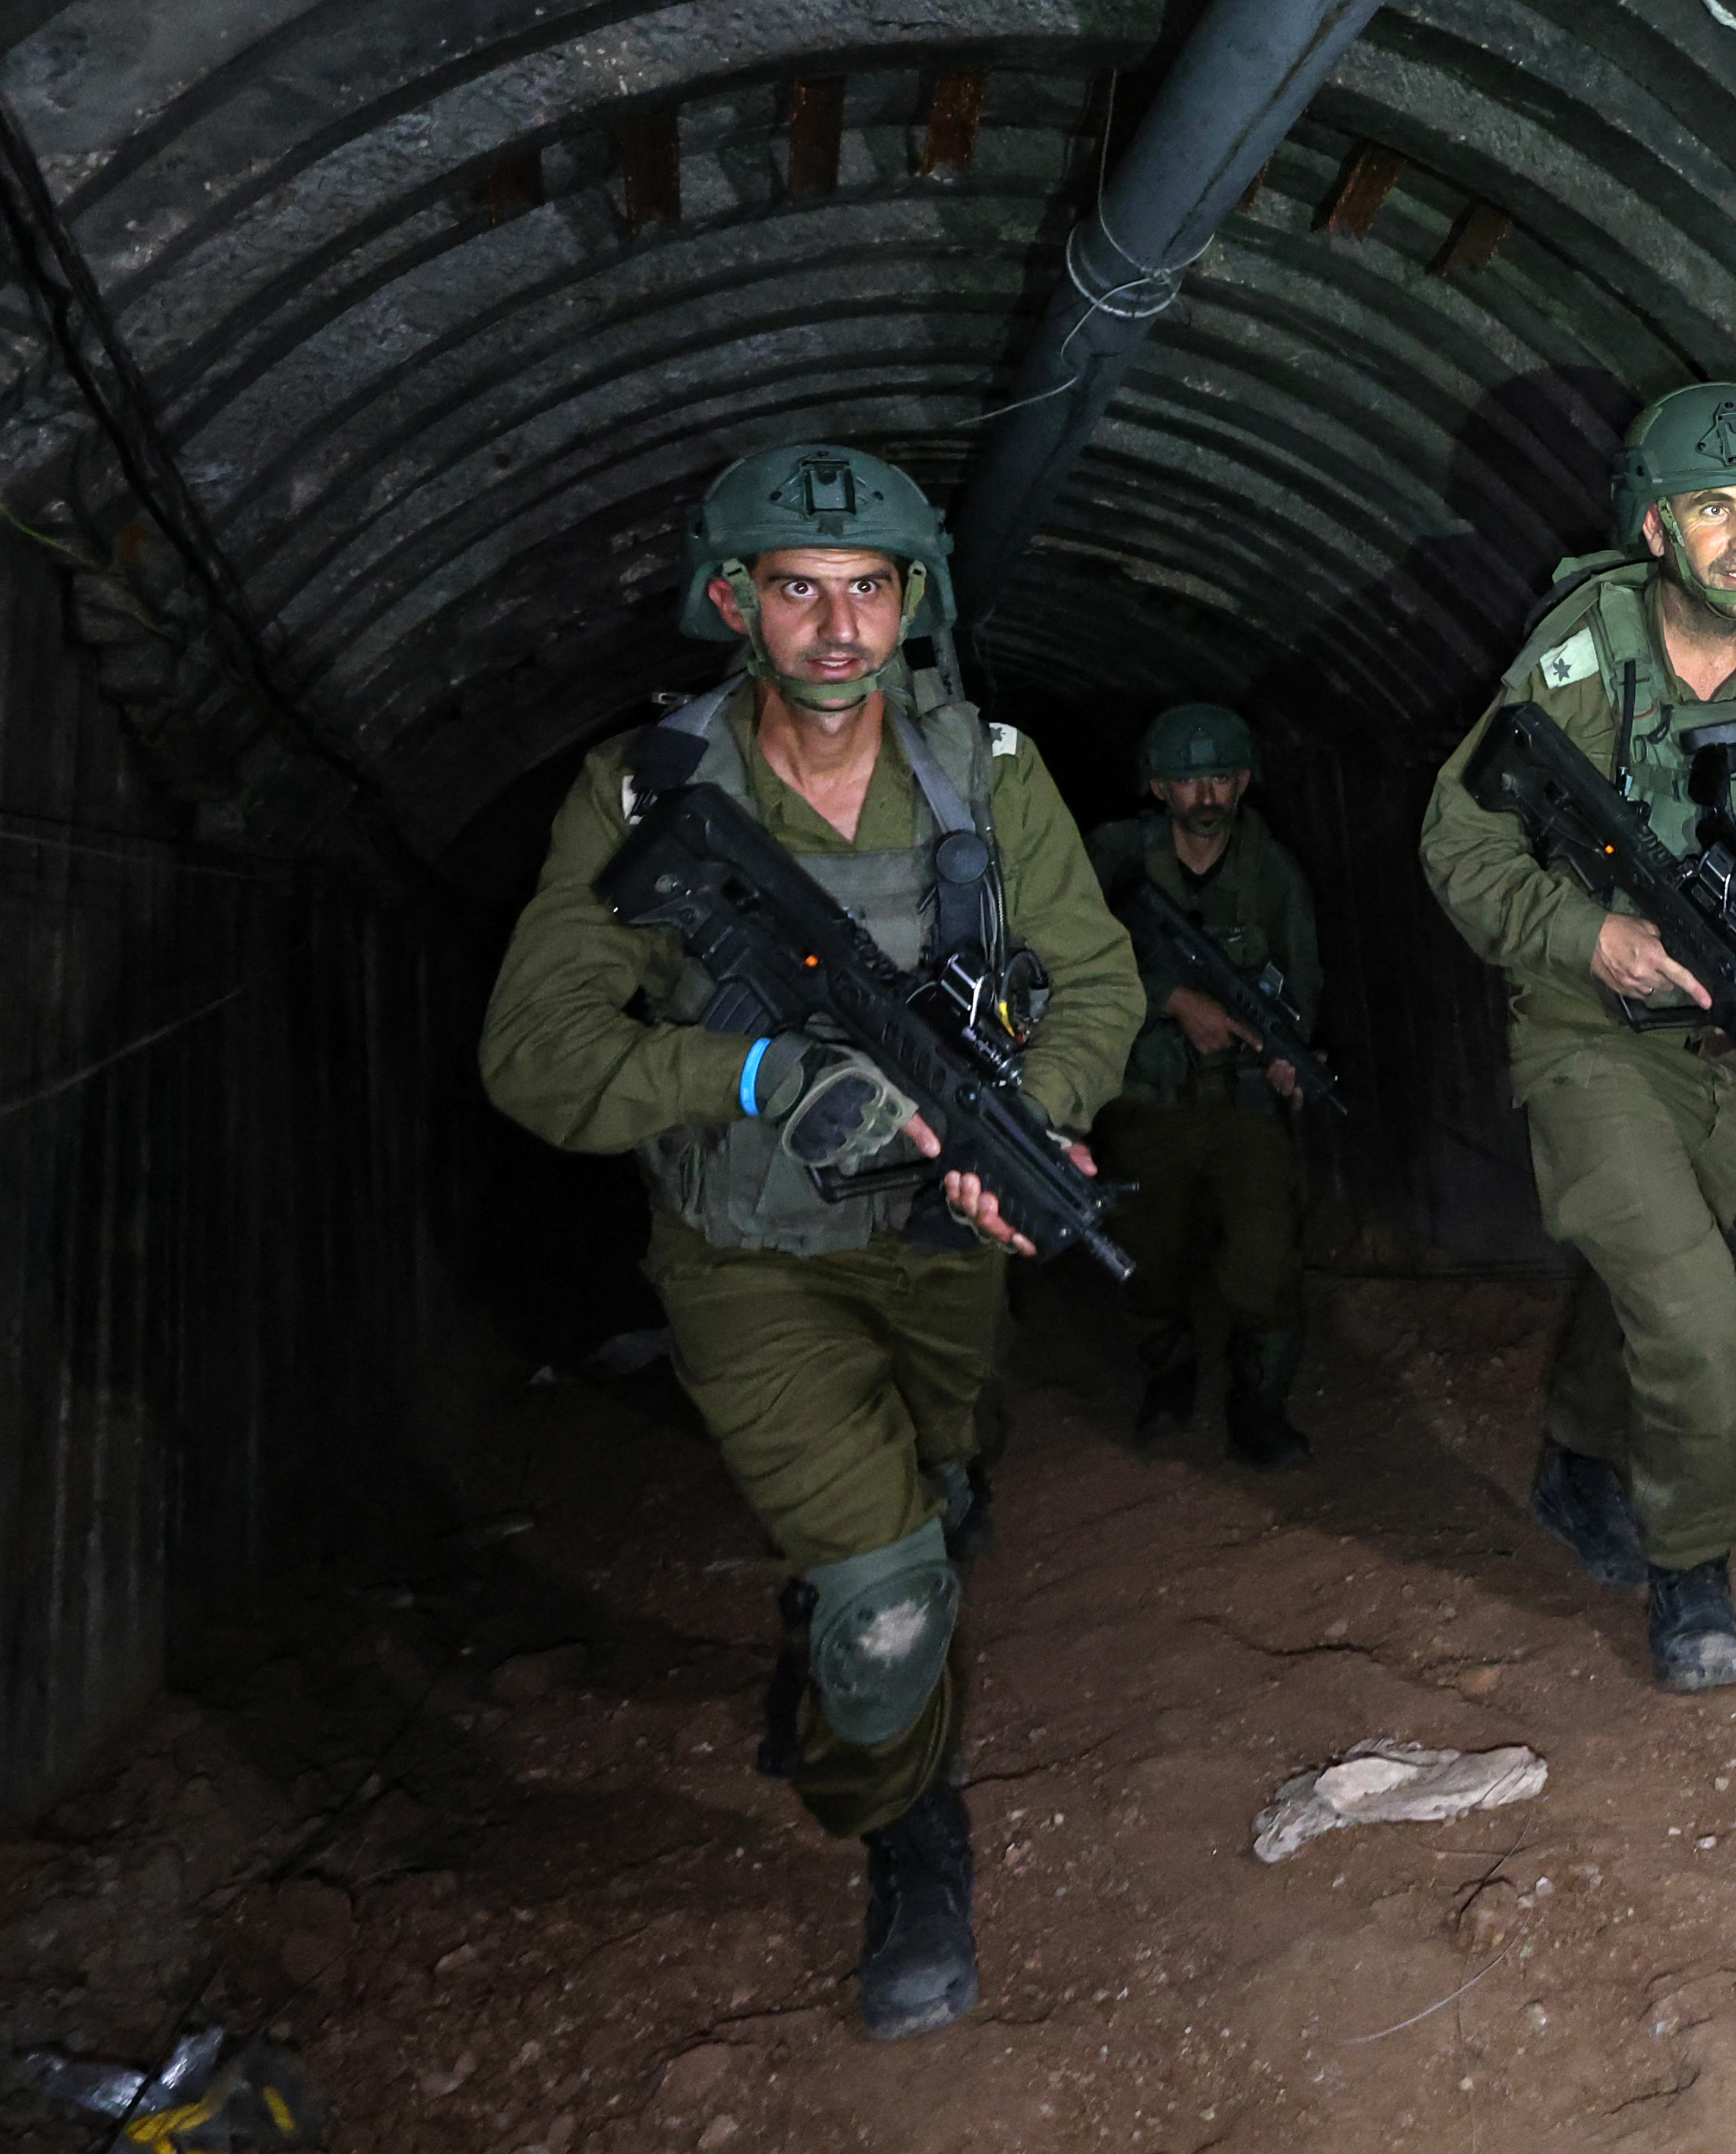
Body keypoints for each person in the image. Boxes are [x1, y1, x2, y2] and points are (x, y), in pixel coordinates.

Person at [478, 443, 1141, 2040]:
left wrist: (1032, 1119)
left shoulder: (986, 770)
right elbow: (538, 1056)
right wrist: (757, 1071)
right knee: (887, 1583)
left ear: (912, 604)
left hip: (939, 1251)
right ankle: (907, 1834)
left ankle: (857, 1644)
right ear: (734, 602)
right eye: (797, 591)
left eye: (867, 592)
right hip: (746, 1258)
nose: (838, 630)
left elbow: (1098, 983)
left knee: (940, 1495)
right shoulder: (647, 790)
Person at [1418, 382, 1736, 1692]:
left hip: (1728, 1058)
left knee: (1657, 1271)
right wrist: (1588, 937)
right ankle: (1688, 1566)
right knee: (1701, 1327)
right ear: (1654, 527)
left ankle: (1578, 1465)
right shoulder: (1581, 666)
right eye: (1713, 510)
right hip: (1590, 1036)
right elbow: (1456, 839)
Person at [1085, 703, 1327, 1468]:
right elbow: (1067, 965)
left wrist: (1289, 1055)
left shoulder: (1270, 871)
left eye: (1221, 777)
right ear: (1159, 789)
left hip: (1241, 1103)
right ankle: (1168, 1372)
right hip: (1143, 1103)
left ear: (1245, 780)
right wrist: (1173, 1000)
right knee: (1144, 1261)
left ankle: (1259, 1405)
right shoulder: (1113, 860)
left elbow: (1300, 981)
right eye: (1189, 782)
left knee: (1264, 1266)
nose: (1207, 797)